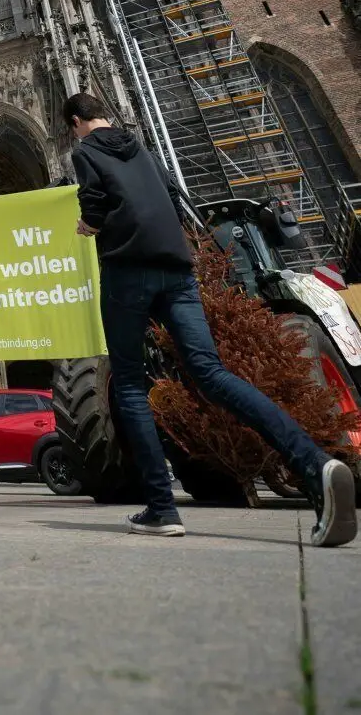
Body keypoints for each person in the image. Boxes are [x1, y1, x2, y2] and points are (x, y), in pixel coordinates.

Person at [64, 91, 357, 547]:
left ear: (77, 122)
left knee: (128, 383)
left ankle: (162, 508)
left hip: (128, 272)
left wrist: (89, 224)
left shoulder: (84, 151)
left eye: (74, 128)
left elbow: (96, 205)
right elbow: (170, 197)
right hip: (178, 271)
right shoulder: (141, 147)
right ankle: (314, 464)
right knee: (211, 373)